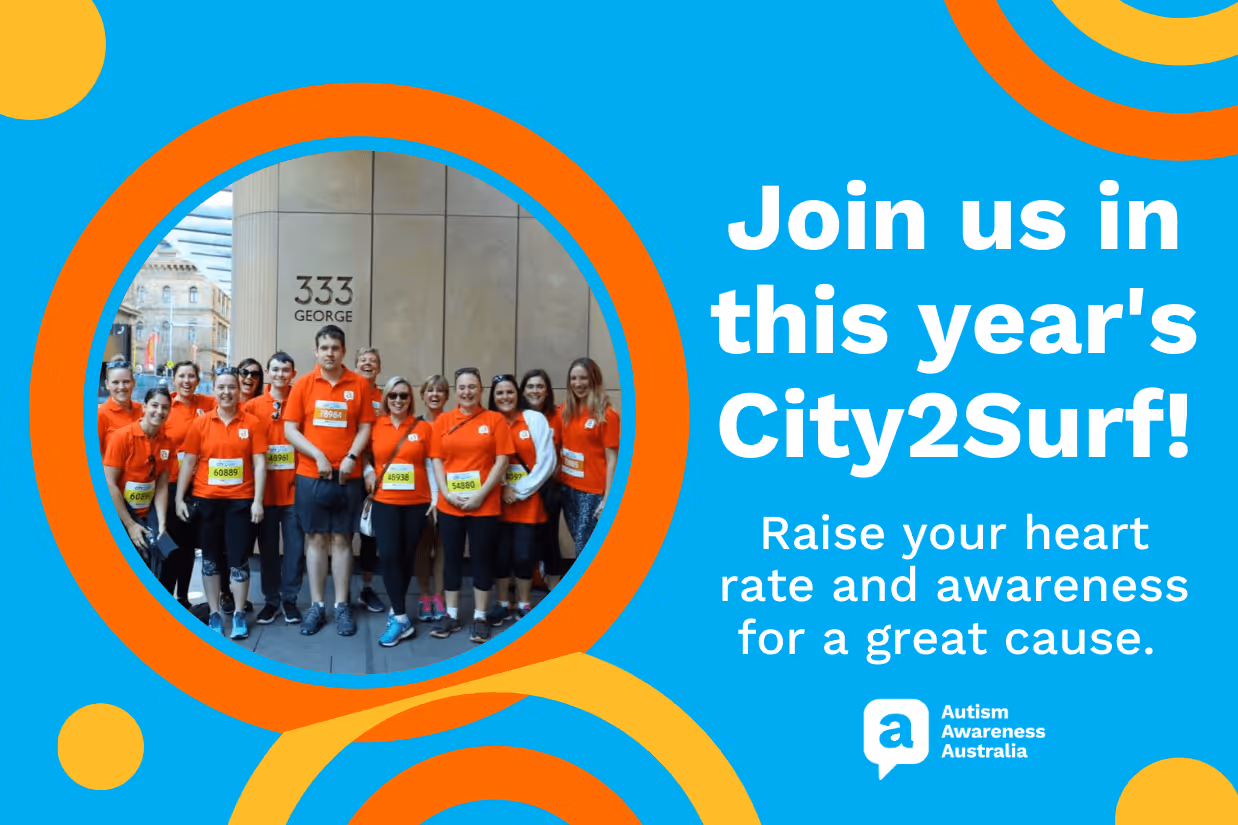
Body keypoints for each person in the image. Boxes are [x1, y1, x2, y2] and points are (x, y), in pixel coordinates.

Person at [282, 324, 375, 637]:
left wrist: (351, 457)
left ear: (344, 351)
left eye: (335, 348)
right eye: (325, 348)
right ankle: (317, 605)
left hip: (347, 477)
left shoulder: (359, 384)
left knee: (343, 540)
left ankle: (341, 605)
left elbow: (365, 427)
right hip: (311, 476)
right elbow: (291, 429)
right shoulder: (303, 385)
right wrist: (317, 455)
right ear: (316, 351)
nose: (330, 353)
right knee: (316, 539)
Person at [176, 368, 267, 639]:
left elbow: (260, 463)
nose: (227, 392)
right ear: (213, 390)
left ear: (239, 391)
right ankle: (215, 612)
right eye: (221, 387)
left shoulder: (252, 423)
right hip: (207, 502)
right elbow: (189, 462)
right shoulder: (200, 424)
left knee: (238, 561)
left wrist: (258, 502)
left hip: (240, 502)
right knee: (211, 562)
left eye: (232, 387)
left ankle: (238, 612)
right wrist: (181, 497)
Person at [428, 367, 514, 644]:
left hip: (484, 504)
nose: (467, 392)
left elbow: (502, 461)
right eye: (462, 387)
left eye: (473, 387)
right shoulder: (443, 420)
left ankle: (480, 616)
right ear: (456, 390)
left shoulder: (495, 420)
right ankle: (451, 615)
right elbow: (437, 460)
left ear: (481, 390)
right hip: (450, 503)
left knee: (481, 559)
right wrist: (445, 493)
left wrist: (481, 494)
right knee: (451, 558)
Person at [364, 376, 436, 647]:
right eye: (393, 395)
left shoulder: (422, 427)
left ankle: (397, 612)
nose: (397, 400)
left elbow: (431, 464)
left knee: (406, 557)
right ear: (386, 399)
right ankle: (402, 617)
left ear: (410, 399)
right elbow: (364, 456)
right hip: (385, 501)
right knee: (390, 555)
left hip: (417, 502)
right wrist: (368, 471)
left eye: (403, 396)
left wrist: (435, 500)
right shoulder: (375, 426)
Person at [487, 375, 555, 624]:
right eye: (500, 393)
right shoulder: (489, 421)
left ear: (518, 394)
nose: (505, 397)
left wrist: (520, 490)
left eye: (509, 392)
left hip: (527, 502)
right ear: (493, 397)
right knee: (501, 555)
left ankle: (525, 605)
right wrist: (503, 488)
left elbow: (547, 461)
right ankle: (502, 603)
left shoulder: (534, 419)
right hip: (497, 502)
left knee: (525, 555)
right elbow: (484, 461)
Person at [243, 352, 304, 625]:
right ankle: (271, 601)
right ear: (267, 373)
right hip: (265, 494)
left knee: (294, 549)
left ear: (293, 373)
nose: (280, 374)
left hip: (295, 491)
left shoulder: (301, 401)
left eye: (285, 370)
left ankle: (290, 600)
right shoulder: (253, 406)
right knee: (267, 551)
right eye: (275, 370)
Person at [163, 360, 219, 611]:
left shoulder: (208, 404)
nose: (187, 381)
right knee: (170, 545)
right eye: (182, 376)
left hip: (201, 486)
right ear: (174, 379)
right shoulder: (166, 406)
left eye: (191, 376)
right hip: (173, 485)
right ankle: (164, 596)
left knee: (189, 547)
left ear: (198, 380)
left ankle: (184, 598)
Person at [103, 387, 173, 579]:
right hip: (120, 511)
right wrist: (129, 524)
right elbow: (109, 484)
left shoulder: (167, 443)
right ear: (144, 407)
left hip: (147, 511)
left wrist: (161, 522)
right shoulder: (121, 437)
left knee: (162, 552)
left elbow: (161, 485)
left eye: (165, 407)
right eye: (155, 405)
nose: (159, 411)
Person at [558, 357, 620, 556]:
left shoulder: (606, 415)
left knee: (584, 547)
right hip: (567, 488)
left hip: (592, 492)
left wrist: (608, 499)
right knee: (582, 543)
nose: (578, 383)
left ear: (593, 379)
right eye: (573, 378)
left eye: (583, 378)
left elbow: (612, 460)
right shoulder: (565, 411)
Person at [519, 368, 568, 587]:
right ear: (523, 390)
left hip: (549, 488)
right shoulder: (516, 416)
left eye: (540, 386)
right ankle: (521, 586)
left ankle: (554, 588)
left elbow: (568, 449)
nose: (535, 390)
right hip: (520, 488)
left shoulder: (558, 416)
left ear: (547, 391)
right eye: (530, 386)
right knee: (523, 538)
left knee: (549, 539)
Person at [413, 375, 450, 621]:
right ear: (423, 395)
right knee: (423, 549)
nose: (435, 395)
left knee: (444, 549)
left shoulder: (453, 423)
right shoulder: (414, 425)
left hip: (449, 495)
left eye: (440, 391)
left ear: (447, 396)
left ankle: (439, 596)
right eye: (430, 390)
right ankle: (424, 595)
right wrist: (431, 500)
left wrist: (441, 498)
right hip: (421, 497)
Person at [353, 346, 386, 614]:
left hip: (375, 476)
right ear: (355, 365)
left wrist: (372, 471)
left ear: (379, 368)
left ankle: (366, 589)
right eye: (363, 360)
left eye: (372, 361)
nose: (368, 364)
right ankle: (338, 596)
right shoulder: (346, 393)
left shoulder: (384, 398)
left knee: (369, 535)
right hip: (347, 471)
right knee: (339, 534)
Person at [98, 359, 143, 453]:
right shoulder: (100, 415)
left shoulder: (143, 410)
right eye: (115, 382)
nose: (121, 387)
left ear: (133, 383)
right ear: (107, 385)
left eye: (126, 382)